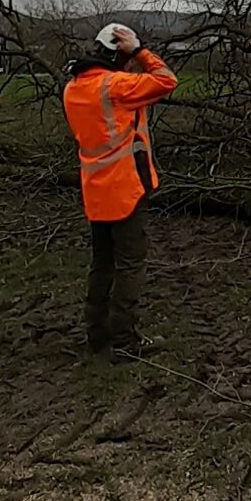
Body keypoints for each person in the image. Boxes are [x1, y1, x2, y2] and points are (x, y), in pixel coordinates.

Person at [62, 23, 178, 359]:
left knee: (102, 265)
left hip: (95, 191)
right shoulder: (115, 85)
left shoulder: (72, 89)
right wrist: (140, 50)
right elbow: (167, 80)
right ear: (117, 55)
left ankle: (96, 336)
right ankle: (125, 342)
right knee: (131, 264)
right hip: (125, 189)